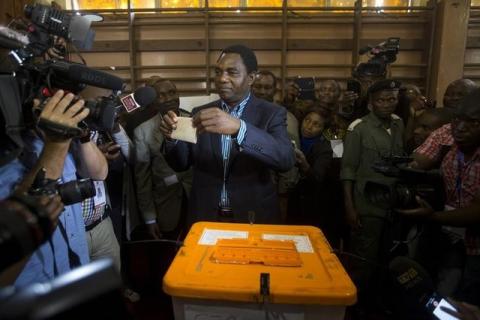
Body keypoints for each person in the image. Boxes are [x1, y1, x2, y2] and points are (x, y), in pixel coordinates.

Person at [160, 44, 295, 225]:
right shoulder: (200, 112)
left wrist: (240, 129)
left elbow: (285, 159)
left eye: (232, 72)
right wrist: (172, 140)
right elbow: (181, 163)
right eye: (218, 72)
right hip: (206, 215)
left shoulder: (271, 113)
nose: (222, 79)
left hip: (252, 216)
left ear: (251, 78)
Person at [0, 90, 92, 287]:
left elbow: (99, 172)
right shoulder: (54, 142)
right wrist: (58, 143)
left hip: (71, 271)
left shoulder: (44, 139)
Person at [400, 88, 480, 306]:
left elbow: (476, 213)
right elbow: (416, 162)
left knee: (469, 297)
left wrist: (432, 216)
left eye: (473, 122)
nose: (461, 129)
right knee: (439, 289)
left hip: (476, 242)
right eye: (457, 120)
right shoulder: (448, 131)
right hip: (448, 234)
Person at [341, 79, 404, 313]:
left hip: (392, 204)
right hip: (366, 206)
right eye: (381, 100)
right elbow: (348, 170)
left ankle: (377, 305)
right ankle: (354, 309)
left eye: (391, 99)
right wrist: (350, 207)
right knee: (363, 261)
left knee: (386, 258)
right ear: (370, 104)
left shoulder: (399, 124)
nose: (387, 104)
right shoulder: (358, 128)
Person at [134, 78, 192, 239]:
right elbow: (142, 179)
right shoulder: (143, 132)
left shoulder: (195, 121)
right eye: (162, 95)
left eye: (172, 92)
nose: (169, 98)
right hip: (166, 204)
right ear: (153, 102)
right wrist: (149, 218)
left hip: (197, 201)